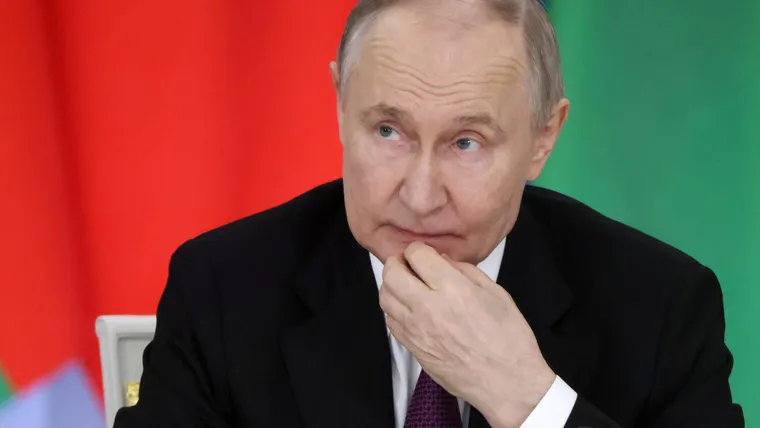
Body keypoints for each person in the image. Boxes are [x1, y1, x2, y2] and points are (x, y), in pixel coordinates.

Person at [113, 0, 745, 427]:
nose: (419, 196)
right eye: (388, 131)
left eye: (466, 143)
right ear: (340, 106)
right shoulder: (223, 290)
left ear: (543, 138)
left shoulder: (661, 308)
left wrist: (530, 400)